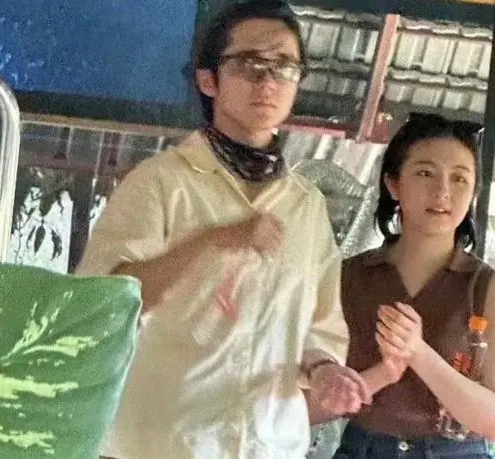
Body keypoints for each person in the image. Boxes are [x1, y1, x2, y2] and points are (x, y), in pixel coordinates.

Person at [78, 1, 371, 457]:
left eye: (285, 66)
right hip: (163, 445)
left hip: (268, 445)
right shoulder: (160, 183)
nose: (268, 81)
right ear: (208, 80)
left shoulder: (307, 206)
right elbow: (103, 306)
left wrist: (324, 370)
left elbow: (319, 328)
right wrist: (208, 243)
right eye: (249, 64)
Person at [311, 113, 495, 458]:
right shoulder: (349, 277)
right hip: (363, 449)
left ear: (473, 193)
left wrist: (418, 354)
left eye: (459, 178)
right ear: (393, 184)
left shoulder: (485, 287)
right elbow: (304, 409)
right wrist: (381, 374)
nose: (442, 192)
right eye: (425, 173)